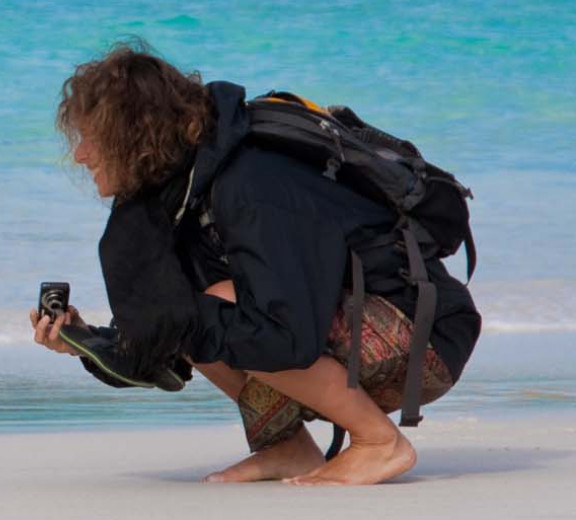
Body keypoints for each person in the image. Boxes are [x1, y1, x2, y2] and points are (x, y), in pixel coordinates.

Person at [29, 40, 480, 486]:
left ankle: (379, 443)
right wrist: (86, 342)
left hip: (423, 338)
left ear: (134, 135)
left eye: (91, 137)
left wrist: (185, 321)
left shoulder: (252, 183)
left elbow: (287, 336)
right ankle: (287, 446)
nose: (80, 154)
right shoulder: (181, 191)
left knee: (214, 305)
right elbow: (169, 335)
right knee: (189, 305)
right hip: (341, 325)